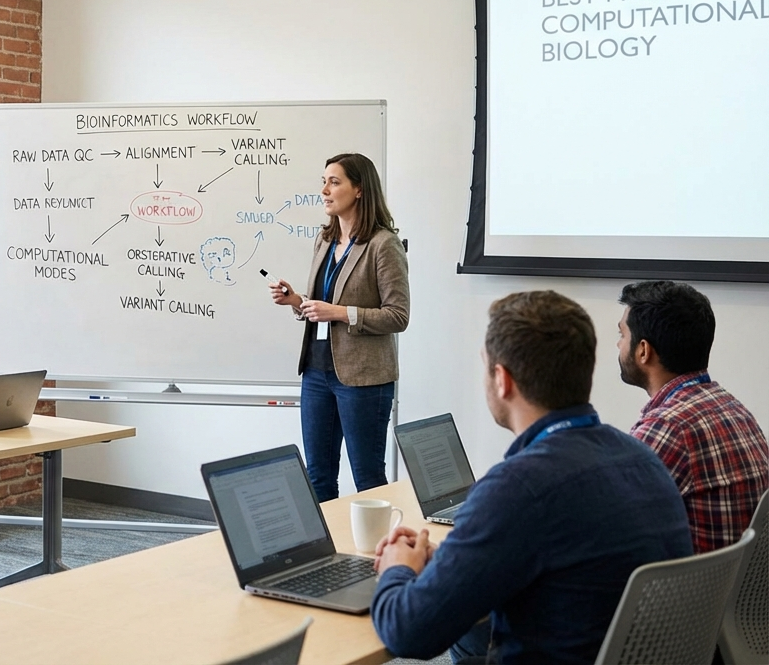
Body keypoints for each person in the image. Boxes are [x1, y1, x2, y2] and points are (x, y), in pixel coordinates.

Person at [370, 291, 692, 664]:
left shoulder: (520, 487)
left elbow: (407, 633)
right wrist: (452, 561)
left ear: (502, 380)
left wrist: (397, 566)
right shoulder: (642, 459)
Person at [268, 152, 409, 500]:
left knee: (368, 478)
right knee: (318, 477)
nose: (324, 191)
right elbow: (323, 305)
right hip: (316, 372)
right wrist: (296, 301)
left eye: (334, 182)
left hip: (363, 379)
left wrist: (342, 313)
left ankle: (377, 539)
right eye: (324, 182)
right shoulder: (324, 240)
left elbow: (398, 316)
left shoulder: (383, 244)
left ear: (359, 189)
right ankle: (328, 540)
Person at [617, 280, 769, 554]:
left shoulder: (667, 427)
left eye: (622, 334)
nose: (618, 344)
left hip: (691, 582)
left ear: (643, 350)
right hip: (737, 581)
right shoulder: (732, 407)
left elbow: (608, 522)